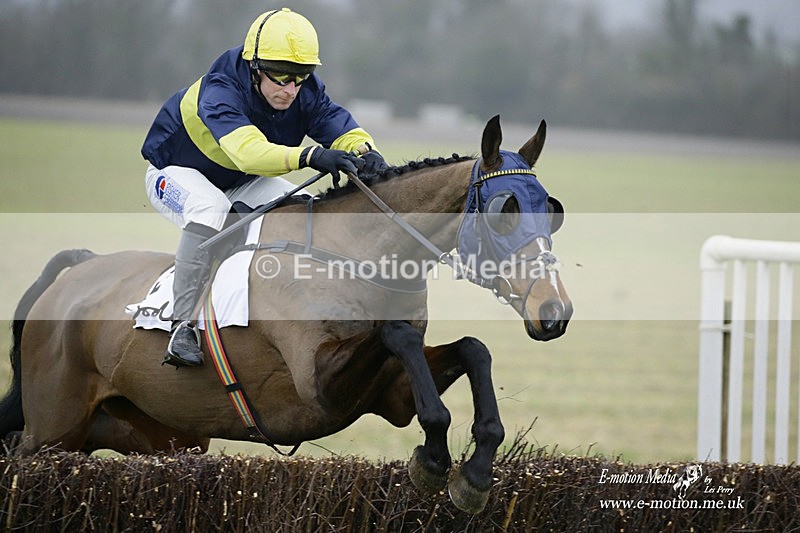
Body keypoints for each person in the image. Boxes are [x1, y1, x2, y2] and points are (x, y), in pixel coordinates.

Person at [141, 7, 387, 368]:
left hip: (240, 182)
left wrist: (367, 151)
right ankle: (181, 325)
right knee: (210, 209)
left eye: (300, 78)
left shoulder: (303, 89)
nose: (290, 90)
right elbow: (248, 154)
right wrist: (312, 156)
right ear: (254, 67)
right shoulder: (221, 88)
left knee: (304, 209)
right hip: (175, 173)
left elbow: (340, 125)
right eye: (281, 77)